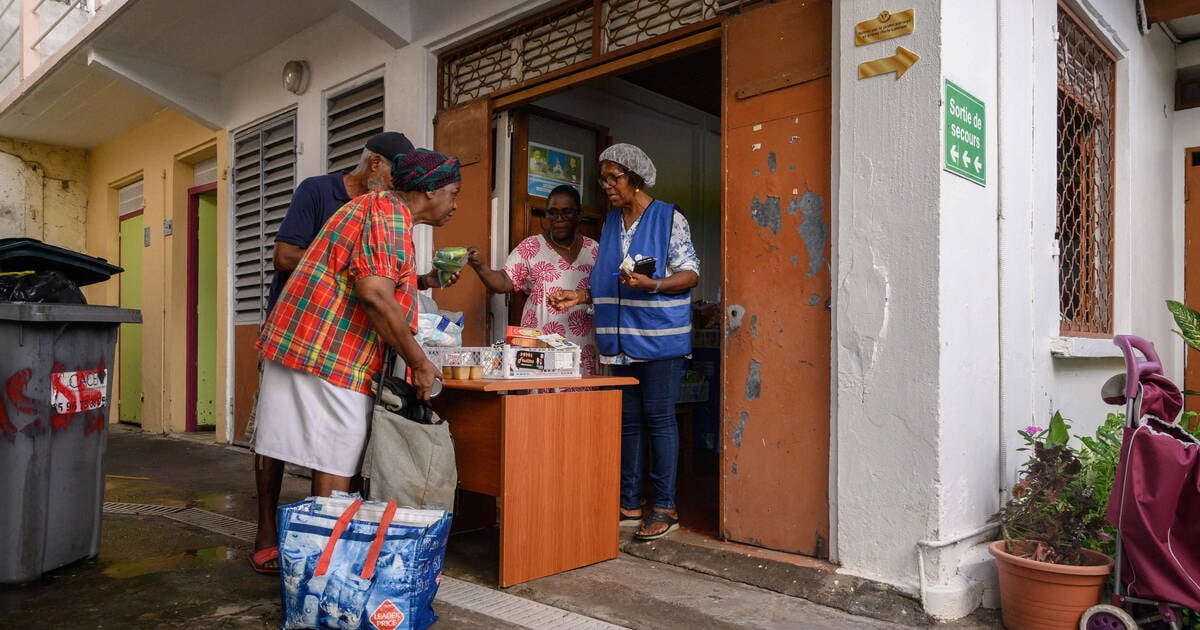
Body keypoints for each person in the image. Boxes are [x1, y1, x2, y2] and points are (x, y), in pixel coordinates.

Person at [247, 148, 461, 574]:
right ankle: (323, 577)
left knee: (328, 460)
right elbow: (375, 294)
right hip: (329, 352)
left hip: (308, 345)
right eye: (453, 193)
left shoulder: (376, 208)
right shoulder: (388, 216)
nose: (455, 204)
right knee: (334, 464)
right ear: (430, 190)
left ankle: (316, 566)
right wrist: (418, 361)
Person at [549, 143, 700, 540]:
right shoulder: (611, 223)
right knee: (629, 423)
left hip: (659, 340)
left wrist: (655, 284)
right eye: (604, 179)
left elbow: (690, 274)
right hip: (618, 340)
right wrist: (578, 297)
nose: (608, 186)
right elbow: (608, 279)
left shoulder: (670, 218)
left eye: (614, 177)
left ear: (635, 178)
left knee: (659, 419)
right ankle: (629, 502)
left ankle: (664, 506)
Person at [465, 184, 600, 374]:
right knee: (541, 402)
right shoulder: (531, 247)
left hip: (583, 347)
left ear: (579, 215)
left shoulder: (594, 250)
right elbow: (503, 282)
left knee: (579, 402)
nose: (558, 219)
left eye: (566, 212)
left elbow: (605, 292)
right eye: (552, 213)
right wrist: (481, 267)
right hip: (540, 348)